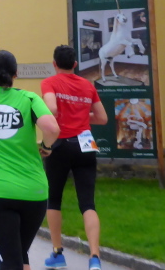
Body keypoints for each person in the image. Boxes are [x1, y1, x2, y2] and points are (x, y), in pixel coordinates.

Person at [0, 51, 60, 270]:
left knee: (10, 261)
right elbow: (52, 128)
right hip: (34, 193)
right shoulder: (30, 99)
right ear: (16, 73)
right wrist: (46, 147)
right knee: (20, 256)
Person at [41, 45, 108, 270]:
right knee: (88, 203)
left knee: (54, 199)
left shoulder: (50, 82)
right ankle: (95, 258)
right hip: (86, 143)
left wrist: (55, 117)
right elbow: (102, 118)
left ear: (54, 64)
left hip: (61, 145)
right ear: (75, 65)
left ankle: (57, 253)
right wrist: (81, 115)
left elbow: (51, 108)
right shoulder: (88, 85)